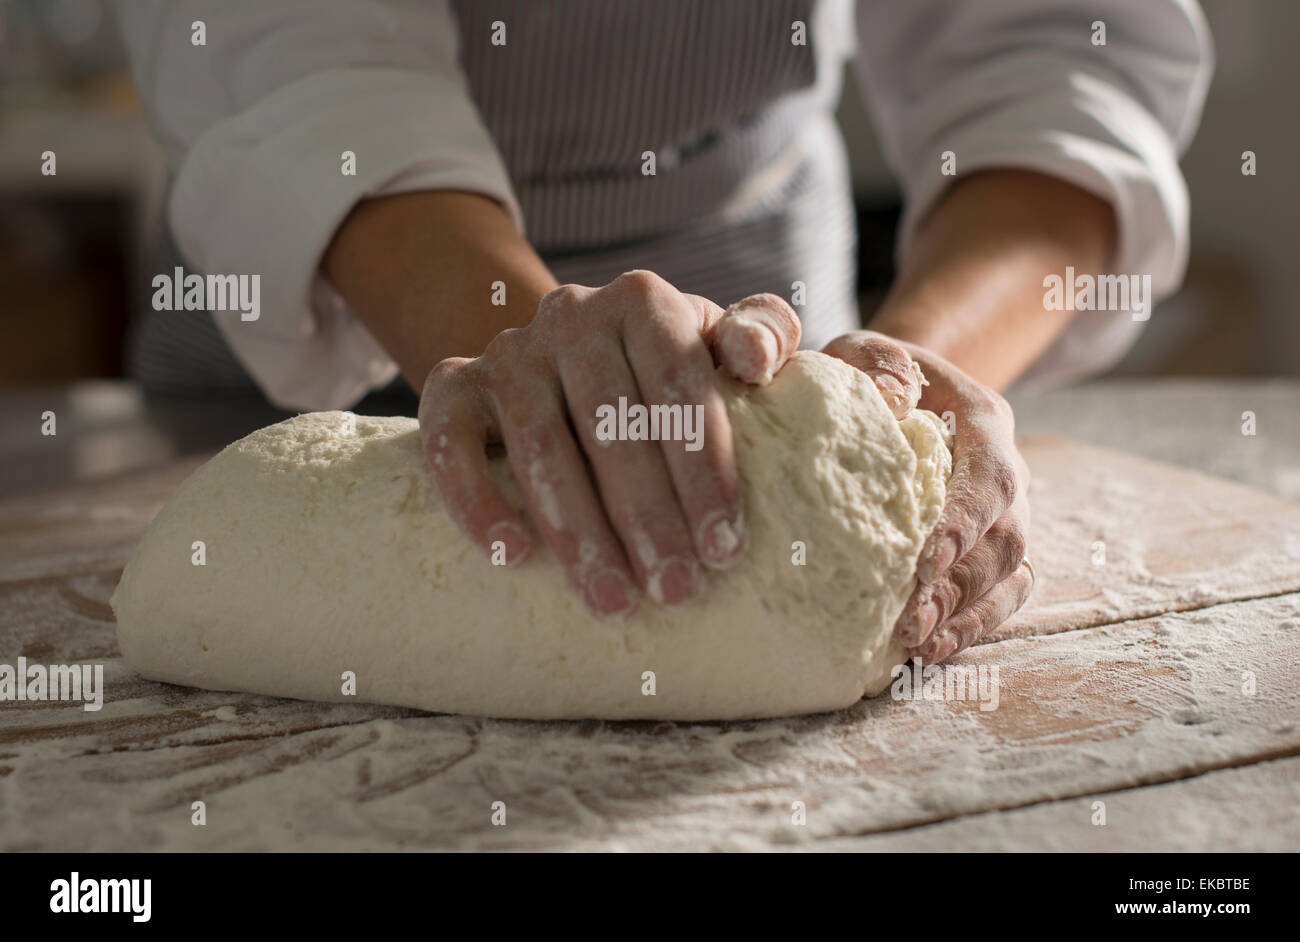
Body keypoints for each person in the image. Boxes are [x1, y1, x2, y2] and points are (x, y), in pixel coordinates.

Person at [114, 0, 1212, 665]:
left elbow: (1060, 49)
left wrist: (905, 396)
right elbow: (296, 59)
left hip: (768, 312)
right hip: (315, 302)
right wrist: (525, 360)